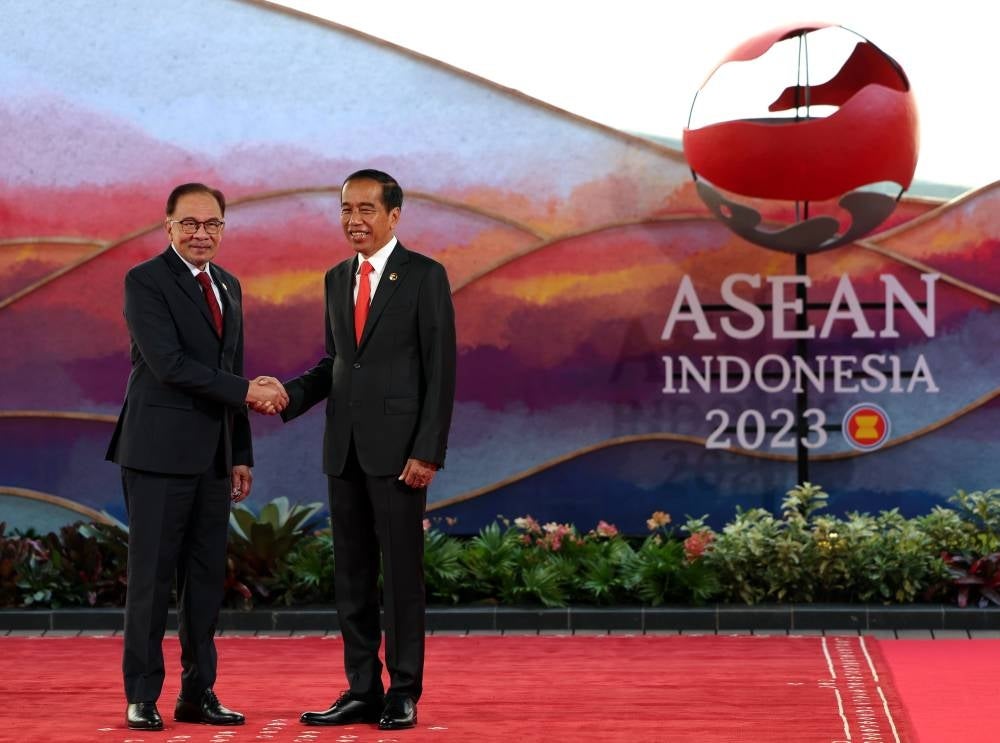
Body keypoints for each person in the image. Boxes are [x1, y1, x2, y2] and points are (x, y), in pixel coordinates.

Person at [105, 182, 288, 731]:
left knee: (205, 583)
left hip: (213, 460)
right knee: (151, 581)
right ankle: (141, 696)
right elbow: (170, 365)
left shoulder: (228, 285)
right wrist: (248, 392)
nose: (201, 233)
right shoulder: (145, 282)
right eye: (189, 224)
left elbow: (232, 365)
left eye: (211, 224)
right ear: (167, 227)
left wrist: (241, 454)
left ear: (223, 229)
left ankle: (198, 693)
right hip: (157, 455)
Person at [278, 169, 456, 731]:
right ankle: (361, 688)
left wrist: (427, 450)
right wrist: (286, 395)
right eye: (346, 210)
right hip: (345, 452)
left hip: (402, 455)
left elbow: (441, 371)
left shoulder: (425, 277)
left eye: (366, 210)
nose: (354, 220)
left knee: (401, 577)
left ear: (394, 215)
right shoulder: (335, 278)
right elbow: (337, 366)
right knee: (352, 577)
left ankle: (403, 689)